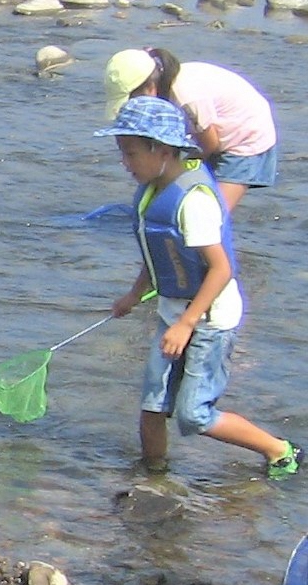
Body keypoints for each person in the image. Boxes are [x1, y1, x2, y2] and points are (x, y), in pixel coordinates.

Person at [98, 97, 301, 479]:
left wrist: (187, 323)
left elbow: (222, 269)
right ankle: (153, 474)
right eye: (122, 153)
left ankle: (280, 449)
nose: (126, 162)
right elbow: (156, 250)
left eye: (131, 153)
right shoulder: (151, 193)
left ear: (161, 150)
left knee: (194, 415)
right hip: (176, 313)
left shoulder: (194, 202)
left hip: (209, 319)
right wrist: (134, 293)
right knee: (153, 405)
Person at [103, 46, 278, 213]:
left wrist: (178, 168)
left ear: (150, 87)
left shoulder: (186, 97)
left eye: (132, 99)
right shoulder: (164, 80)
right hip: (213, 132)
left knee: (214, 215)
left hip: (245, 138)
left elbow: (210, 145)